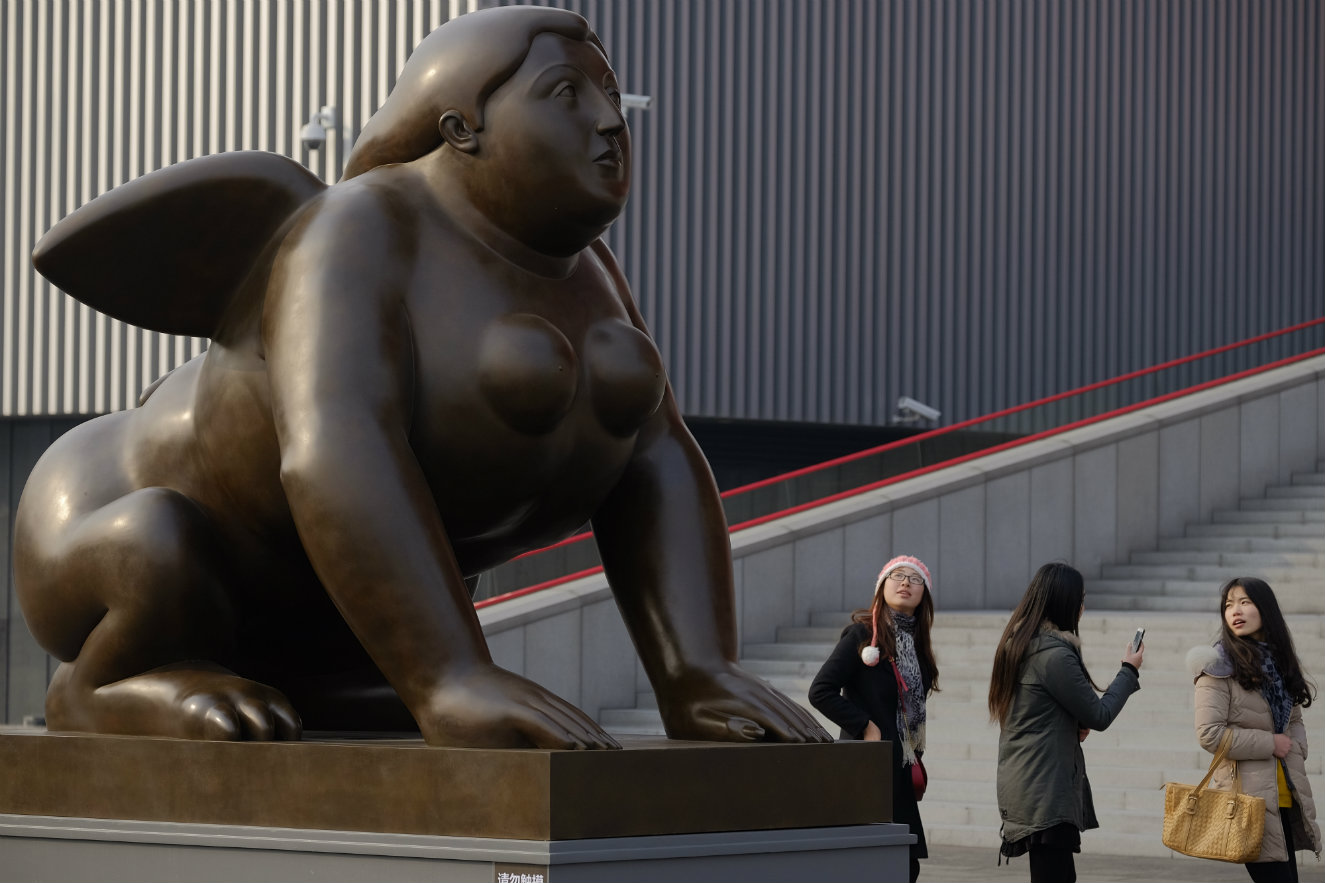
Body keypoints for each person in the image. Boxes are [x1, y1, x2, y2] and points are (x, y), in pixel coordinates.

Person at [14, 6, 828, 750]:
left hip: (309, 609)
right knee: (160, 547)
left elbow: (654, 456)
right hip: (111, 525)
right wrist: (448, 677)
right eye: (565, 95)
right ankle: (103, 684)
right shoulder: (353, 230)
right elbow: (334, 450)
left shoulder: (586, 268)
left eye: (611, 94)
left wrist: (696, 670)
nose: (611, 121)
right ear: (461, 127)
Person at [987, 562, 1143, 883]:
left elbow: (1034, 713)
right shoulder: (1054, 654)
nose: (1082, 607)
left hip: (1028, 779)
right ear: (1065, 601)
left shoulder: (1019, 645)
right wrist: (1129, 670)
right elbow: (1098, 716)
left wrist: (1068, 725)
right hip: (1045, 788)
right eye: (1080, 599)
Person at [809, 555, 939, 882]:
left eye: (915, 579)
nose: (906, 582)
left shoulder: (917, 646)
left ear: (925, 595)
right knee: (871, 863)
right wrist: (865, 726)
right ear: (882, 587)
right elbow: (821, 691)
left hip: (900, 767)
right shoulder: (862, 636)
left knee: (905, 864)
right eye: (897, 576)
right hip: (866, 768)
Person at [1188, 577, 1321, 881]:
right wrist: (1270, 743)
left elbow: (1294, 720)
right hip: (1248, 800)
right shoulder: (1216, 666)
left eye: (1245, 602)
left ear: (1265, 609)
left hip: (1286, 793)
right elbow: (1209, 733)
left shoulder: (1278, 662)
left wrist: (1296, 748)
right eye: (1229, 604)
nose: (1235, 610)